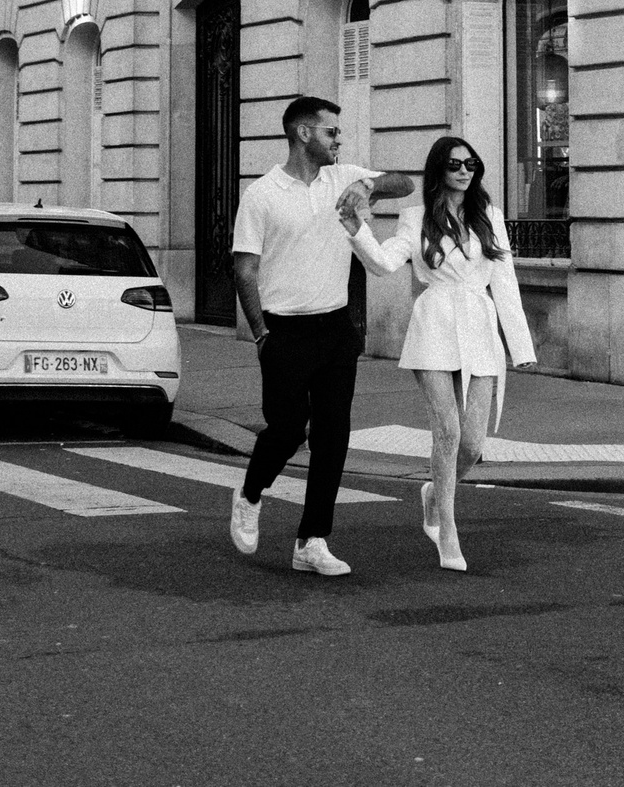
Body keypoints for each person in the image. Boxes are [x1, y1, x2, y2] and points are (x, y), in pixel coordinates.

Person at [229, 96, 415, 577]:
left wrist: (364, 183)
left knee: (333, 437)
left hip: (335, 326)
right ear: (304, 133)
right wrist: (260, 335)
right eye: (332, 132)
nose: (339, 139)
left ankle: (312, 540)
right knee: (288, 429)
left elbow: (405, 182)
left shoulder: (341, 175)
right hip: (283, 329)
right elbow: (244, 270)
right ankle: (250, 493)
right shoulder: (263, 195)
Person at [344, 135, 534, 572]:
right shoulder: (416, 217)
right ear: (439, 170)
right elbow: (384, 263)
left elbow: (504, 281)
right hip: (433, 323)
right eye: (454, 164)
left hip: (480, 326)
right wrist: (357, 228)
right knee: (446, 430)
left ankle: (434, 492)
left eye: (471, 163)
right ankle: (447, 528)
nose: (464, 171)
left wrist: (519, 345)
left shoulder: (489, 216)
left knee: (471, 444)